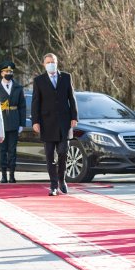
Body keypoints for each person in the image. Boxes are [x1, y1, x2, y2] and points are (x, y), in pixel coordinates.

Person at [31, 53, 78, 196]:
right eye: (48, 62)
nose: (51, 64)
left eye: (53, 61)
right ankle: (53, 185)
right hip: (47, 123)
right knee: (50, 156)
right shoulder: (39, 81)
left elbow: (72, 97)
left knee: (63, 152)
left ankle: (62, 180)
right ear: (44, 64)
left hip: (64, 123)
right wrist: (35, 121)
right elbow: (35, 102)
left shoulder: (66, 77)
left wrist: (74, 116)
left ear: (57, 63)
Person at [0, 60, 26, 183]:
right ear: (1, 73)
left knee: (12, 150)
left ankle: (12, 174)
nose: (9, 73)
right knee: (3, 150)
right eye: (7, 71)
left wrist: (22, 124)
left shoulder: (18, 87)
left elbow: (22, 106)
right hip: (1, 121)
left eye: (11, 71)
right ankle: (3, 174)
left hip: (14, 121)